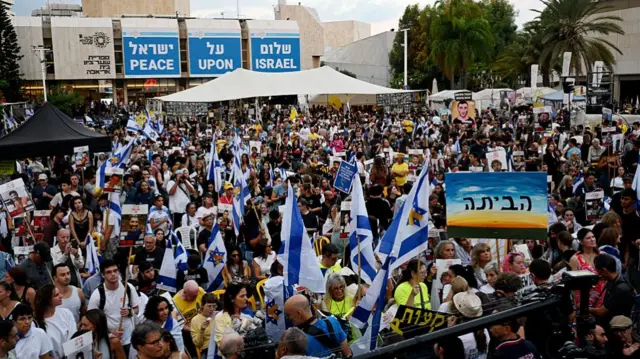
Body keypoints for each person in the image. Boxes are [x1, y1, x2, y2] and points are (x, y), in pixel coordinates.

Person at [87, 259, 140, 356]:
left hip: (129, 340)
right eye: (109, 272)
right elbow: (90, 322)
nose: (113, 274)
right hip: (109, 342)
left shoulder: (128, 288)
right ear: (103, 275)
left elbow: (137, 309)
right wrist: (110, 333)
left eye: (115, 271)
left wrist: (130, 312)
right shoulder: (97, 295)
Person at [283, 294, 351, 358]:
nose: (287, 318)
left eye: (288, 315)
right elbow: (348, 353)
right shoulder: (332, 321)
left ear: (299, 313)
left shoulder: (298, 339)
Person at [591, 253, 635, 327]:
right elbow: (634, 292)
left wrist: (585, 309)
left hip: (617, 327)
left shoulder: (619, 289)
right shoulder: (617, 279)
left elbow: (601, 312)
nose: (599, 275)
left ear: (604, 270)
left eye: (599, 272)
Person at [33, 284, 76, 359]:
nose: (61, 296)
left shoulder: (66, 313)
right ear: (47, 300)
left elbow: (74, 336)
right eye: (56, 295)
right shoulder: (35, 324)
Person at [570, 228, 606, 309]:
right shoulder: (575, 259)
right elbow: (573, 283)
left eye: (593, 237)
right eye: (588, 238)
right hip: (584, 296)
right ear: (581, 241)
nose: (592, 240)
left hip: (602, 293)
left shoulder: (602, 255)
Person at [213, 283, 252, 348]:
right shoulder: (220, 317)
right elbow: (221, 344)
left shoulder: (248, 314)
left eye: (246, 295)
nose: (246, 298)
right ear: (232, 298)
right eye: (242, 296)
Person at [172, 280, 204, 359]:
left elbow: (208, 302)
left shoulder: (199, 291)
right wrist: (193, 329)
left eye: (196, 295)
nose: (196, 297)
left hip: (203, 323)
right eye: (193, 296)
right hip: (188, 331)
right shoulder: (175, 302)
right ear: (185, 293)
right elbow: (180, 325)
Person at [189, 293, 217, 357]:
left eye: (214, 306)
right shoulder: (195, 320)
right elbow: (197, 344)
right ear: (202, 306)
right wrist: (202, 330)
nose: (212, 309)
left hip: (220, 345)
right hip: (206, 349)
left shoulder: (217, 316)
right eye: (209, 306)